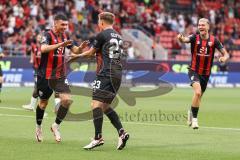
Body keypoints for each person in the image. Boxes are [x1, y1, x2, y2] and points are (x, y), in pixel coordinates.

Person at [71, 12, 129, 150]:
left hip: (105, 73)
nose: (98, 24)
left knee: (95, 105)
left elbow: (91, 53)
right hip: (117, 74)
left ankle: (98, 138)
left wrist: (75, 56)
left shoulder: (102, 34)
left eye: (98, 21)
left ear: (102, 22)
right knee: (105, 107)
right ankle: (122, 133)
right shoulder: (118, 37)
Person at [35, 13, 88, 142]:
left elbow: (75, 50)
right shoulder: (46, 35)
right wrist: (60, 45)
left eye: (66, 24)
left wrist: (80, 48)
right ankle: (38, 127)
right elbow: (43, 48)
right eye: (62, 24)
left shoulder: (65, 36)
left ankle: (55, 126)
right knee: (43, 103)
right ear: (55, 23)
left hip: (60, 75)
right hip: (45, 75)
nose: (65, 27)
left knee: (67, 100)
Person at [177, 18, 229, 129]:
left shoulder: (214, 40)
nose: (200, 27)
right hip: (194, 70)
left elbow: (226, 54)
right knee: (198, 92)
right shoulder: (194, 38)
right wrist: (181, 38)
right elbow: (185, 40)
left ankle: (190, 113)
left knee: (198, 96)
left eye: (203, 25)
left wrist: (224, 58)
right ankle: (195, 120)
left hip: (206, 74)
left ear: (208, 27)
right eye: (199, 25)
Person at [22, 34, 60, 111]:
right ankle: (32, 105)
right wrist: (32, 59)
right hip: (38, 69)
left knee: (53, 88)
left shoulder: (47, 47)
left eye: (41, 37)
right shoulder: (34, 46)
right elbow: (33, 54)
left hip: (46, 70)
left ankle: (56, 107)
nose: (39, 38)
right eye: (38, 37)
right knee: (37, 86)